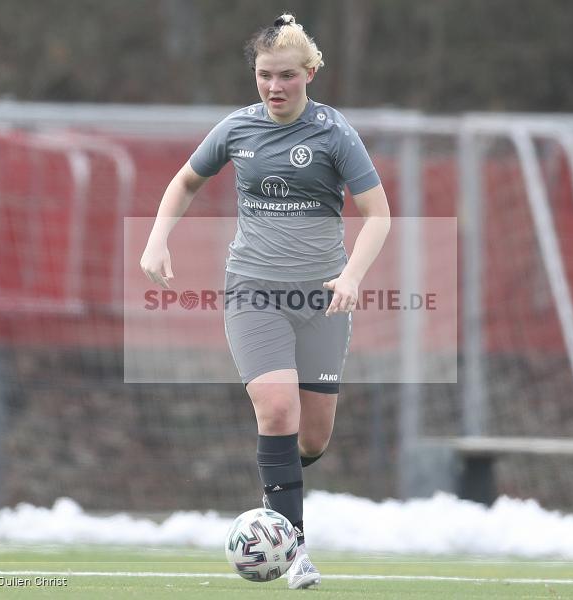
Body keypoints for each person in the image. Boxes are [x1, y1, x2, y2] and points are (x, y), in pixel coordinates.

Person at [140, 13, 390, 590]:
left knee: (313, 437)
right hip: (253, 292)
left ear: (309, 74)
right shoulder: (237, 129)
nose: (274, 87)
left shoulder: (333, 133)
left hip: (323, 299)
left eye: (286, 76)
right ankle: (293, 549)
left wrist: (351, 277)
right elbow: (184, 182)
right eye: (264, 75)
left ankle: (274, 490)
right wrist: (156, 238)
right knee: (277, 410)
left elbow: (378, 215)